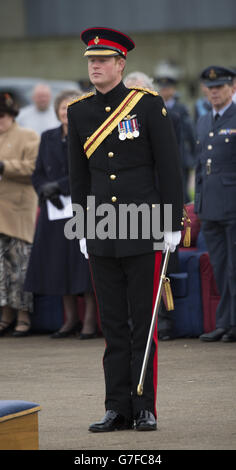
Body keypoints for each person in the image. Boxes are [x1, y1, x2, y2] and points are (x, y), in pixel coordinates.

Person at [67, 27, 183, 432]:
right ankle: (116, 406)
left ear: (120, 64)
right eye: (90, 61)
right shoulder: (78, 112)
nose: (94, 66)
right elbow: (77, 176)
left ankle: (144, 404)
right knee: (112, 323)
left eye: (102, 60)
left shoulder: (148, 106)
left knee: (142, 320)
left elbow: (169, 168)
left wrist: (172, 225)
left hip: (145, 225)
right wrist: (82, 226)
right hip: (101, 228)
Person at [24, 90, 98, 339]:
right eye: (62, 108)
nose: (66, 112)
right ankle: (69, 320)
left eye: (71, 107)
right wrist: (45, 189)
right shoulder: (47, 137)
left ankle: (89, 322)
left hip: (82, 207)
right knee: (59, 265)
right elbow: (38, 171)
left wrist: (62, 186)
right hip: (55, 210)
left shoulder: (89, 134)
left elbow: (88, 170)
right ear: (57, 112)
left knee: (83, 265)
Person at [124, 71, 182, 340]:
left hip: (158, 200)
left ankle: (164, 321)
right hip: (127, 206)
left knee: (160, 268)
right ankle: (135, 321)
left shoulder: (167, 117)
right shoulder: (120, 122)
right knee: (131, 269)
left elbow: (172, 165)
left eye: (141, 91)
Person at [194, 65, 236, 343]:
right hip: (210, 205)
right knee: (220, 267)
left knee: (234, 267)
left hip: (232, 204)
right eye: (210, 88)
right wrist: (198, 202)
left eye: (219, 87)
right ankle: (225, 323)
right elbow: (199, 165)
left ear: (232, 87)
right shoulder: (204, 119)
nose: (214, 93)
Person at [0, 92, 40, 336]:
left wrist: (5, 166)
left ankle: (23, 316)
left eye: (1, 116)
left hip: (18, 212)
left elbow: (34, 168)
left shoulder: (28, 136)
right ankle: (5, 314)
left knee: (20, 268)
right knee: (0, 271)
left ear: (12, 115)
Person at [155, 74, 196, 203]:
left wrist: (193, 156)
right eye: (162, 88)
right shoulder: (156, 107)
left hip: (181, 156)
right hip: (164, 155)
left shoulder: (181, 109)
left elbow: (189, 133)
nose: (164, 91)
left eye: (167, 88)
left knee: (182, 190)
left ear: (173, 90)